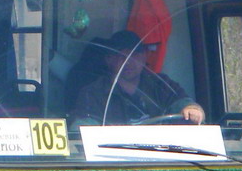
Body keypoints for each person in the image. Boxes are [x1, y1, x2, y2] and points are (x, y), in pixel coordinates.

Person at [69, 30, 205, 126]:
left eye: (134, 55)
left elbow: (185, 104)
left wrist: (192, 110)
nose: (128, 62)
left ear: (145, 57)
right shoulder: (92, 93)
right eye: (121, 56)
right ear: (109, 59)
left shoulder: (161, 84)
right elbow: (83, 128)